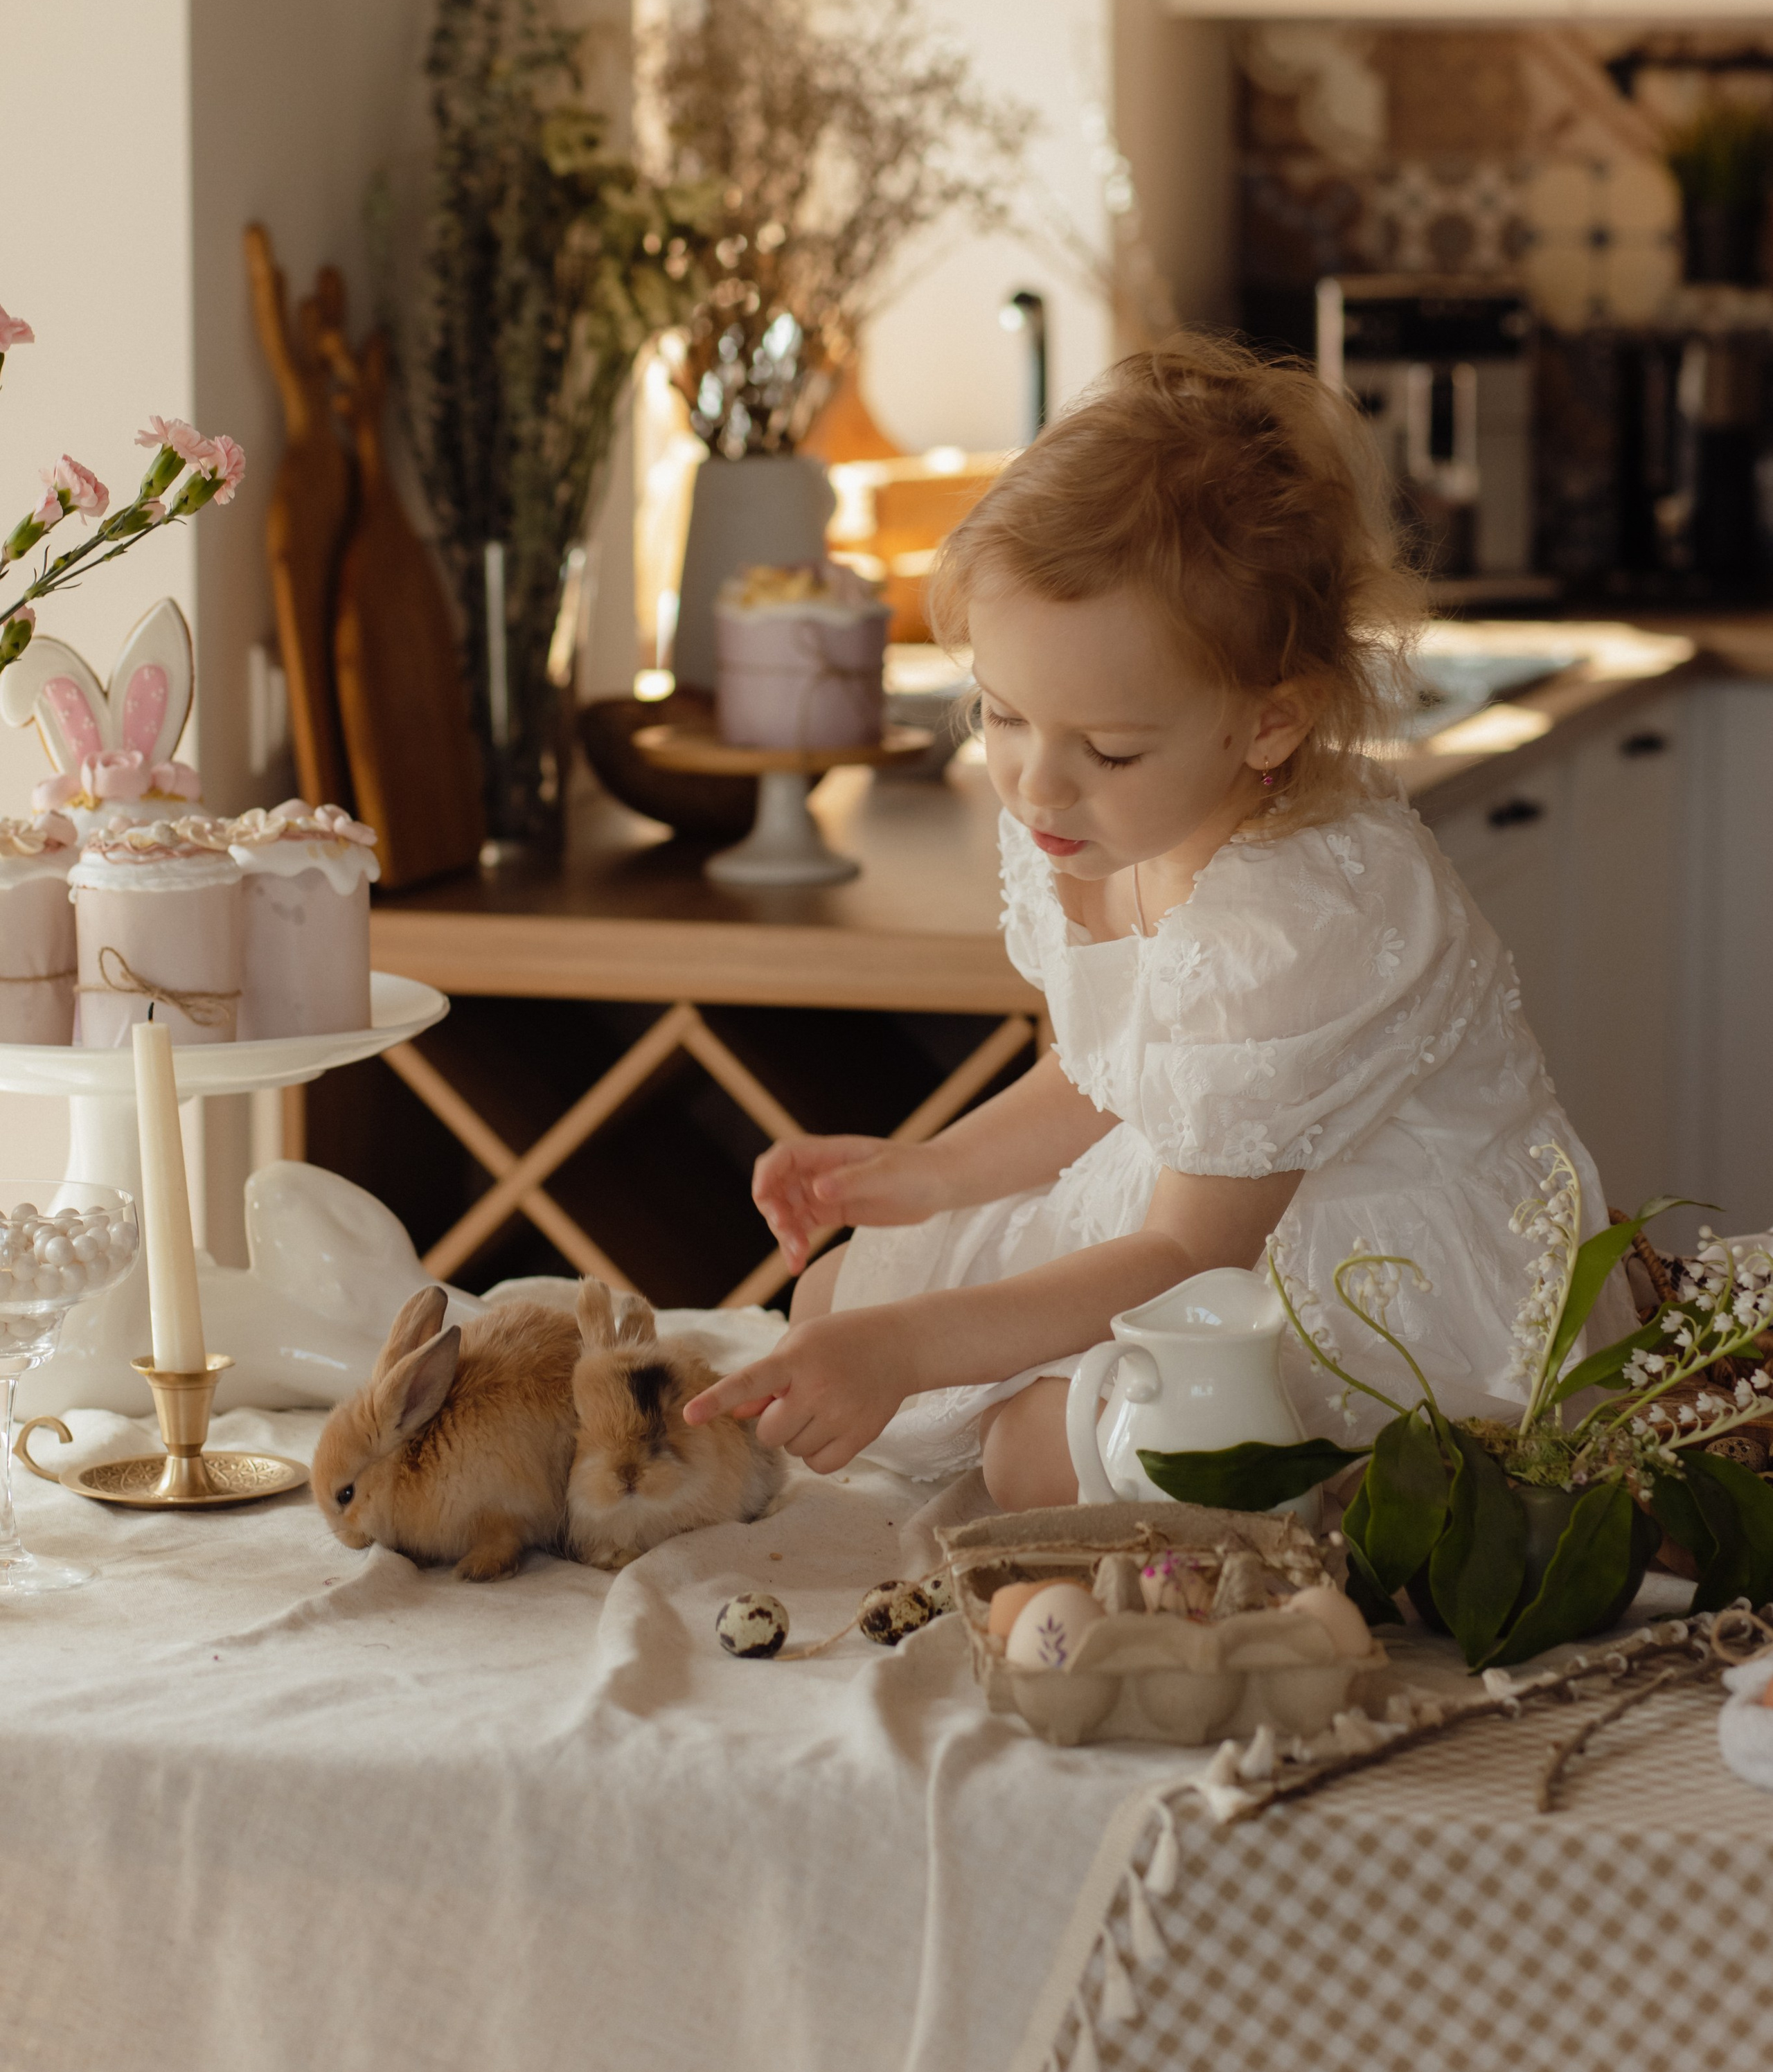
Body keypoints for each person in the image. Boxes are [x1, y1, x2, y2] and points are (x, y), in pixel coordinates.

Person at [684, 335, 1627, 1506]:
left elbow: (1191, 1253)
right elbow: (1114, 1072)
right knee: (832, 1300)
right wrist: (930, 1174)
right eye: (1004, 714)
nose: (1036, 783)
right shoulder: (1088, 818)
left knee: (1027, 1447)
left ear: (1270, 725)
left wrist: (913, 1347)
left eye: (1110, 747)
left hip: (1368, 1262)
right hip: (1194, 1196)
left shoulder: (1302, 914)